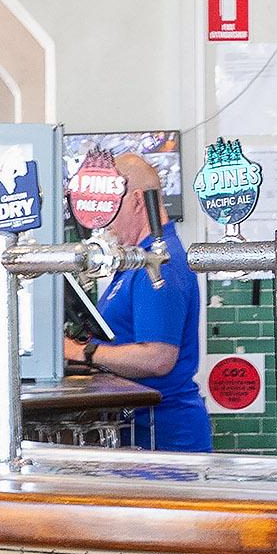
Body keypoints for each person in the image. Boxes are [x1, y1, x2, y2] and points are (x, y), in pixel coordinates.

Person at [60, 151, 213, 454]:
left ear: (137, 201)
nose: (105, 222)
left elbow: (158, 358)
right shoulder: (134, 262)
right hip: (140, 431)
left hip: (164, 438)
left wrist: (83, 352)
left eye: (111, 206)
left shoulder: (157, 260)